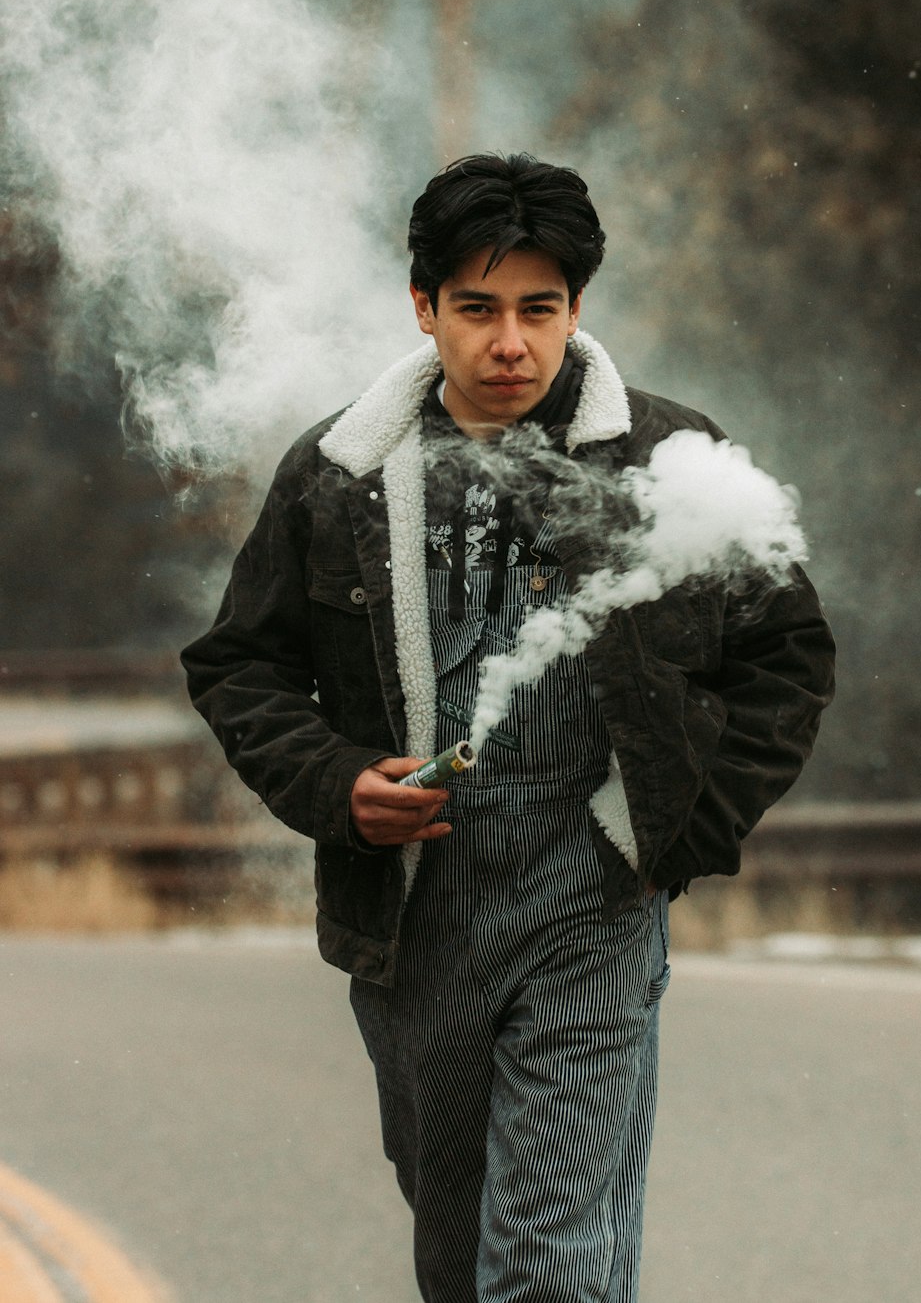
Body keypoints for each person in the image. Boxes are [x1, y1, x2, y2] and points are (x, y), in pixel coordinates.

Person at [181, 152, 835, 1303]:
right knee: (460, 1253)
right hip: (414, 906)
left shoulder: (669, 462)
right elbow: (239, 665)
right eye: (476, 310)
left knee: (542, 1267)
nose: (508, 345)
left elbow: (783, 657)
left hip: (594, 895)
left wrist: (669, 828)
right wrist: (340, 788)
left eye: (539, 310)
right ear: (423, 306)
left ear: (577, 310)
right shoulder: (339, 475)